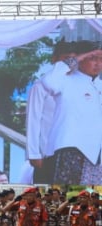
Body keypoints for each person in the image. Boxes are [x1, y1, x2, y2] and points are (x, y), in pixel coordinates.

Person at [39, 41, 102, 184]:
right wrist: (78, 58)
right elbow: (48, 81)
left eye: (101, 59)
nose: (97, 64)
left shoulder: (99, 85)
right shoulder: (65, 80)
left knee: (92, 198)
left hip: (97, 152)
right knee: (68, 196)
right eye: (93, 58)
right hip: (72, 149)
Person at [25, 40, 76, 183]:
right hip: (48, 153)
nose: (70, 63)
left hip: (72, 153)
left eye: (74, 59)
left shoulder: (81, 86)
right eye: (66, 59)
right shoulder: (41, 85)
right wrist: (34, 153)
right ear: (54, 59)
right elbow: (33, 120)